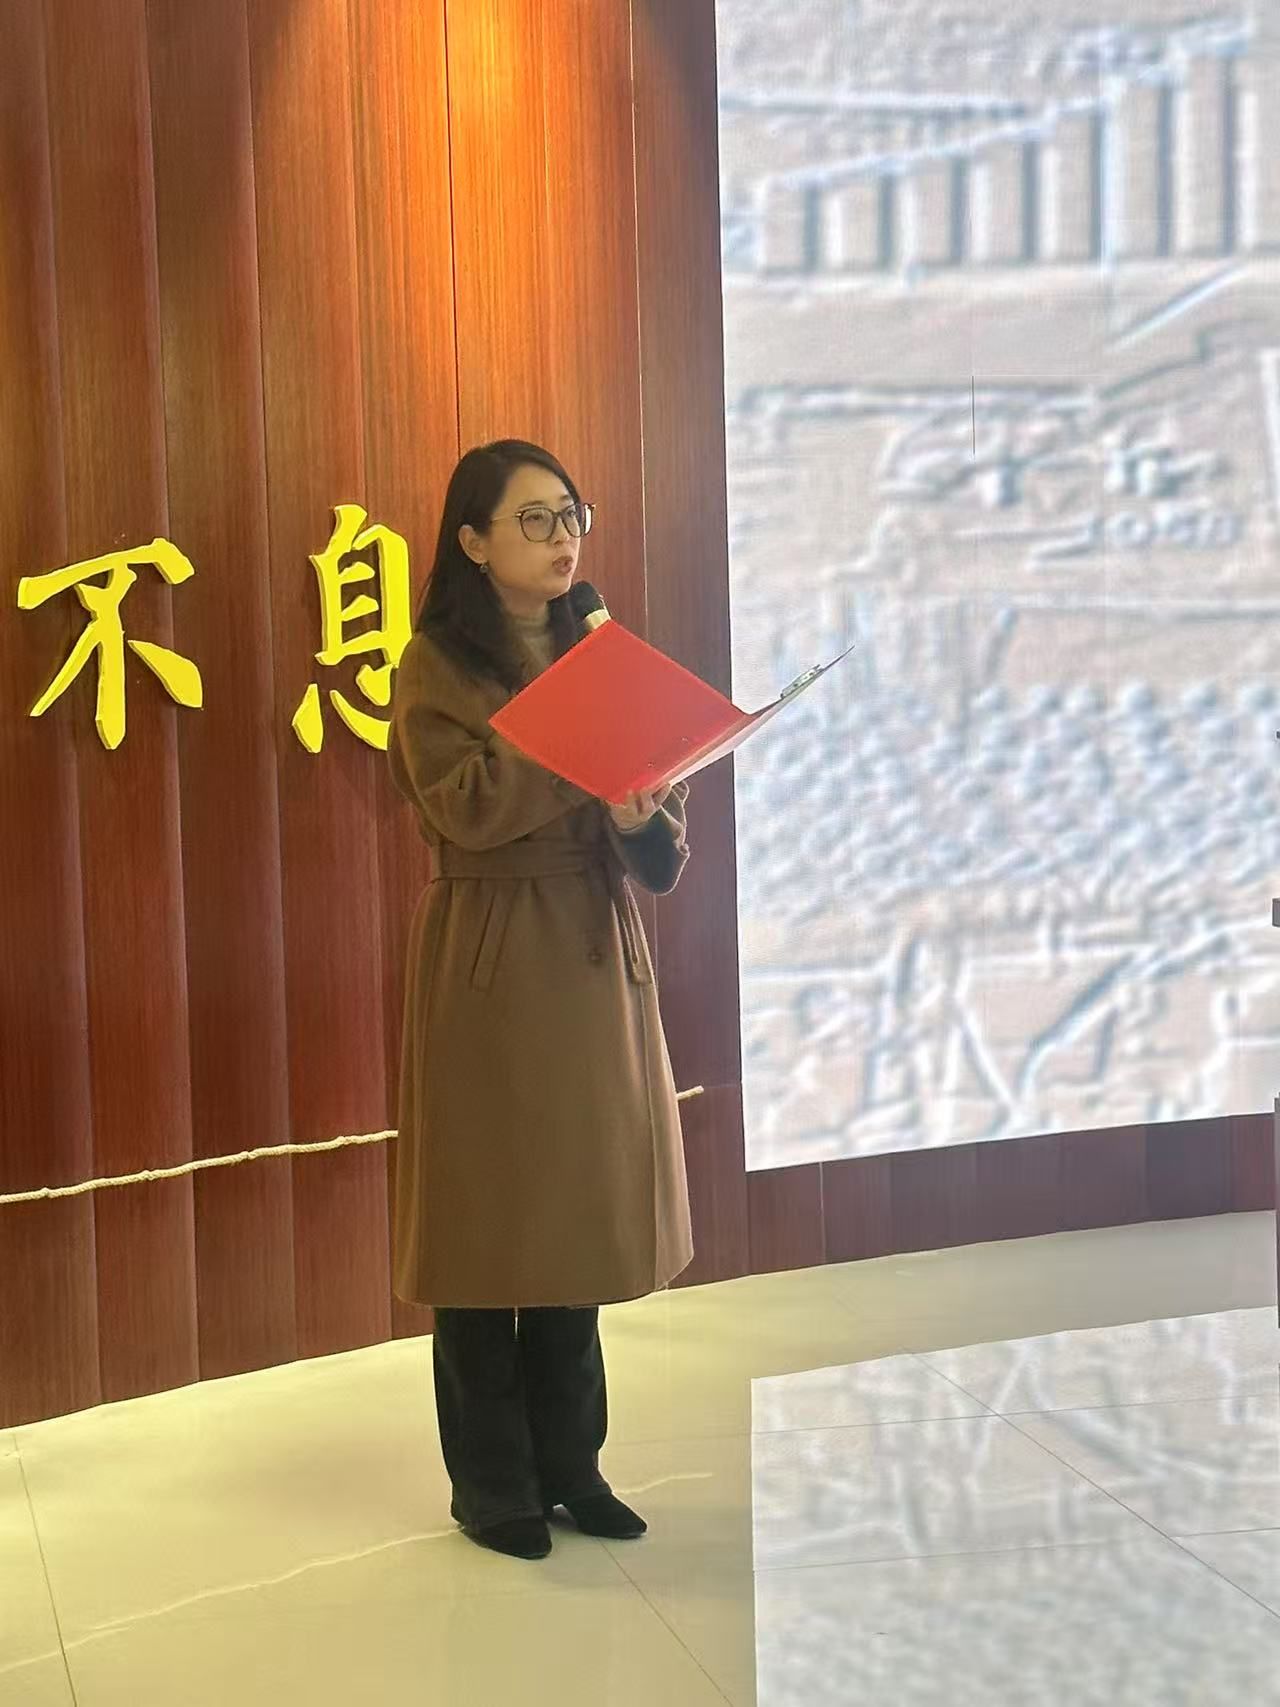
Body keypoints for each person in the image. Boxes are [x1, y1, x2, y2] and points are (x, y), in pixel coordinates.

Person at [386, 439, 695, 1561]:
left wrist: (637, 816)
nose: (563, 538)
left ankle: (574, 1468)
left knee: (575, 1220)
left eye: (572, 515)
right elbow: (464, 808)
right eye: (535, 519)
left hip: (592, 949)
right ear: (472, 541)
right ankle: (492, 1488)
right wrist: (573, 736)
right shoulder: (434, 663)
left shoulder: (595, 650)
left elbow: (660, 855)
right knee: (485, 1233)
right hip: (490, 954)